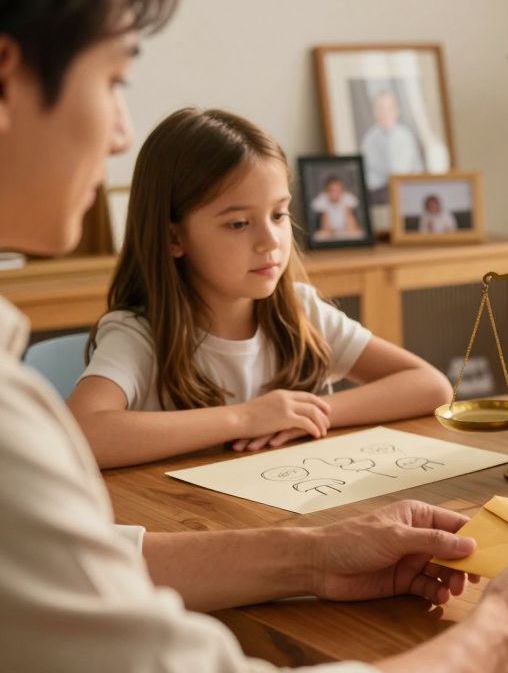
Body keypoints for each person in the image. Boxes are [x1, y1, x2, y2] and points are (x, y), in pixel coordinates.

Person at [0, 0, 508, 673]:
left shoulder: (294, 312)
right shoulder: (128, 341)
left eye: (279, 215)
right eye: (114, 80)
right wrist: (505, 637)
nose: (120, 134)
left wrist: (312, 535)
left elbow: (428, 385)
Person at [67, 107, 451, 468]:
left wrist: (305, 415)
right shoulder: (139, 335)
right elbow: (80, 435)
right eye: (238, 224)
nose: (270, 241)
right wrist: (245, 418)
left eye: (279, 214)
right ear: (174, 238)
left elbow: (431, 387)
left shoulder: (302, 311)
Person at [360, 88, 425, 203]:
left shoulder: (406, 136)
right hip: (380, 191)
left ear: (397, 111)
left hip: (406, 188)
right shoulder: (369, 139)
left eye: (389, 109)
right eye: (380, 109)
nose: (385, 113)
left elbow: (414, 169)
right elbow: (368, 173)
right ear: (375, 112)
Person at [310, 173, 364, 240]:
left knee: (358, 234)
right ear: (327, 191)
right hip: (329, 232)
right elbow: (325, 227)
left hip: (346, 230)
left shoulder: (348, 198)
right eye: (332, 190)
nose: (336, 193)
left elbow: (352, 226)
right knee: (319, 236)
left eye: (338, 190)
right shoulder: (321, 199)